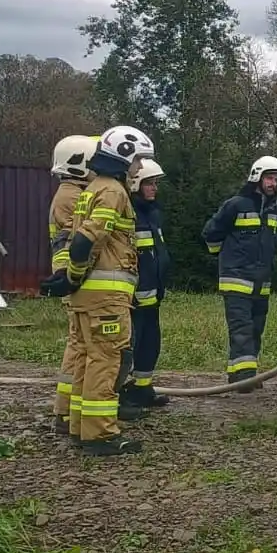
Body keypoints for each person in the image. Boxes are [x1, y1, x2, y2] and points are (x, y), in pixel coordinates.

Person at [41, 125, 155, 456]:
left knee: (88, 359)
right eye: (138, 161)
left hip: (89, 294)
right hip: (105, 296)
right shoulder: (114, 192)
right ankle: (99, 434)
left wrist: (72, 278)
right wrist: (73, 274)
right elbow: (84, 240)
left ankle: (80, 426)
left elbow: (77, 239)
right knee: (106, 359)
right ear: (124, 157)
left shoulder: (91, 189)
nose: (139, 169)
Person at [202, 156, 277, 392]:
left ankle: (239, 374)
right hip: (236, 279)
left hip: (262, 282)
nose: (273, 183)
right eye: (269, 178)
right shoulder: (236, 205)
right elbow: (211, 233)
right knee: (241, 329)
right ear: (256, 177)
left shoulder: (276, 209)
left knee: (256, 329)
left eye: (276, 179)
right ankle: (245, 377)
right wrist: (227, 259)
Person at [47, 134, 98, 438]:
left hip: (72, 277)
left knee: (78, 343)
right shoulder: (72, 197)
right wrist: (73, 276)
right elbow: (74, 240)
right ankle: (66, 412)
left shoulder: (70, 192)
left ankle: (67, 411)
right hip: (74, 278)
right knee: (79, 345)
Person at [121, 158, 171, 408]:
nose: (154, 188)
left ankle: (142, 389)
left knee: (150, 344)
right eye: (149, 183)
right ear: (135, 184)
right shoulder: (129, 215)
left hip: (152, 296)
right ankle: (120, 392)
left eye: (155, 183)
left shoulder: (152, 214)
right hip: (133, 297)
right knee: (130, 344)